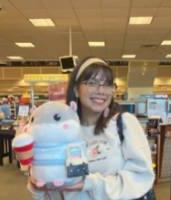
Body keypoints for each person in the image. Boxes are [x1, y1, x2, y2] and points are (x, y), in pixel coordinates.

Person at [28, 57, 155, 200]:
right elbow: (53, 185)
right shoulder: (63, 131)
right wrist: (38, 186)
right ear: (76, 90)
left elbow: (141, 177)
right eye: (92, 83)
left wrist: (90, 184)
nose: (101, 90)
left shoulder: (123, 124)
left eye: (107, 84)